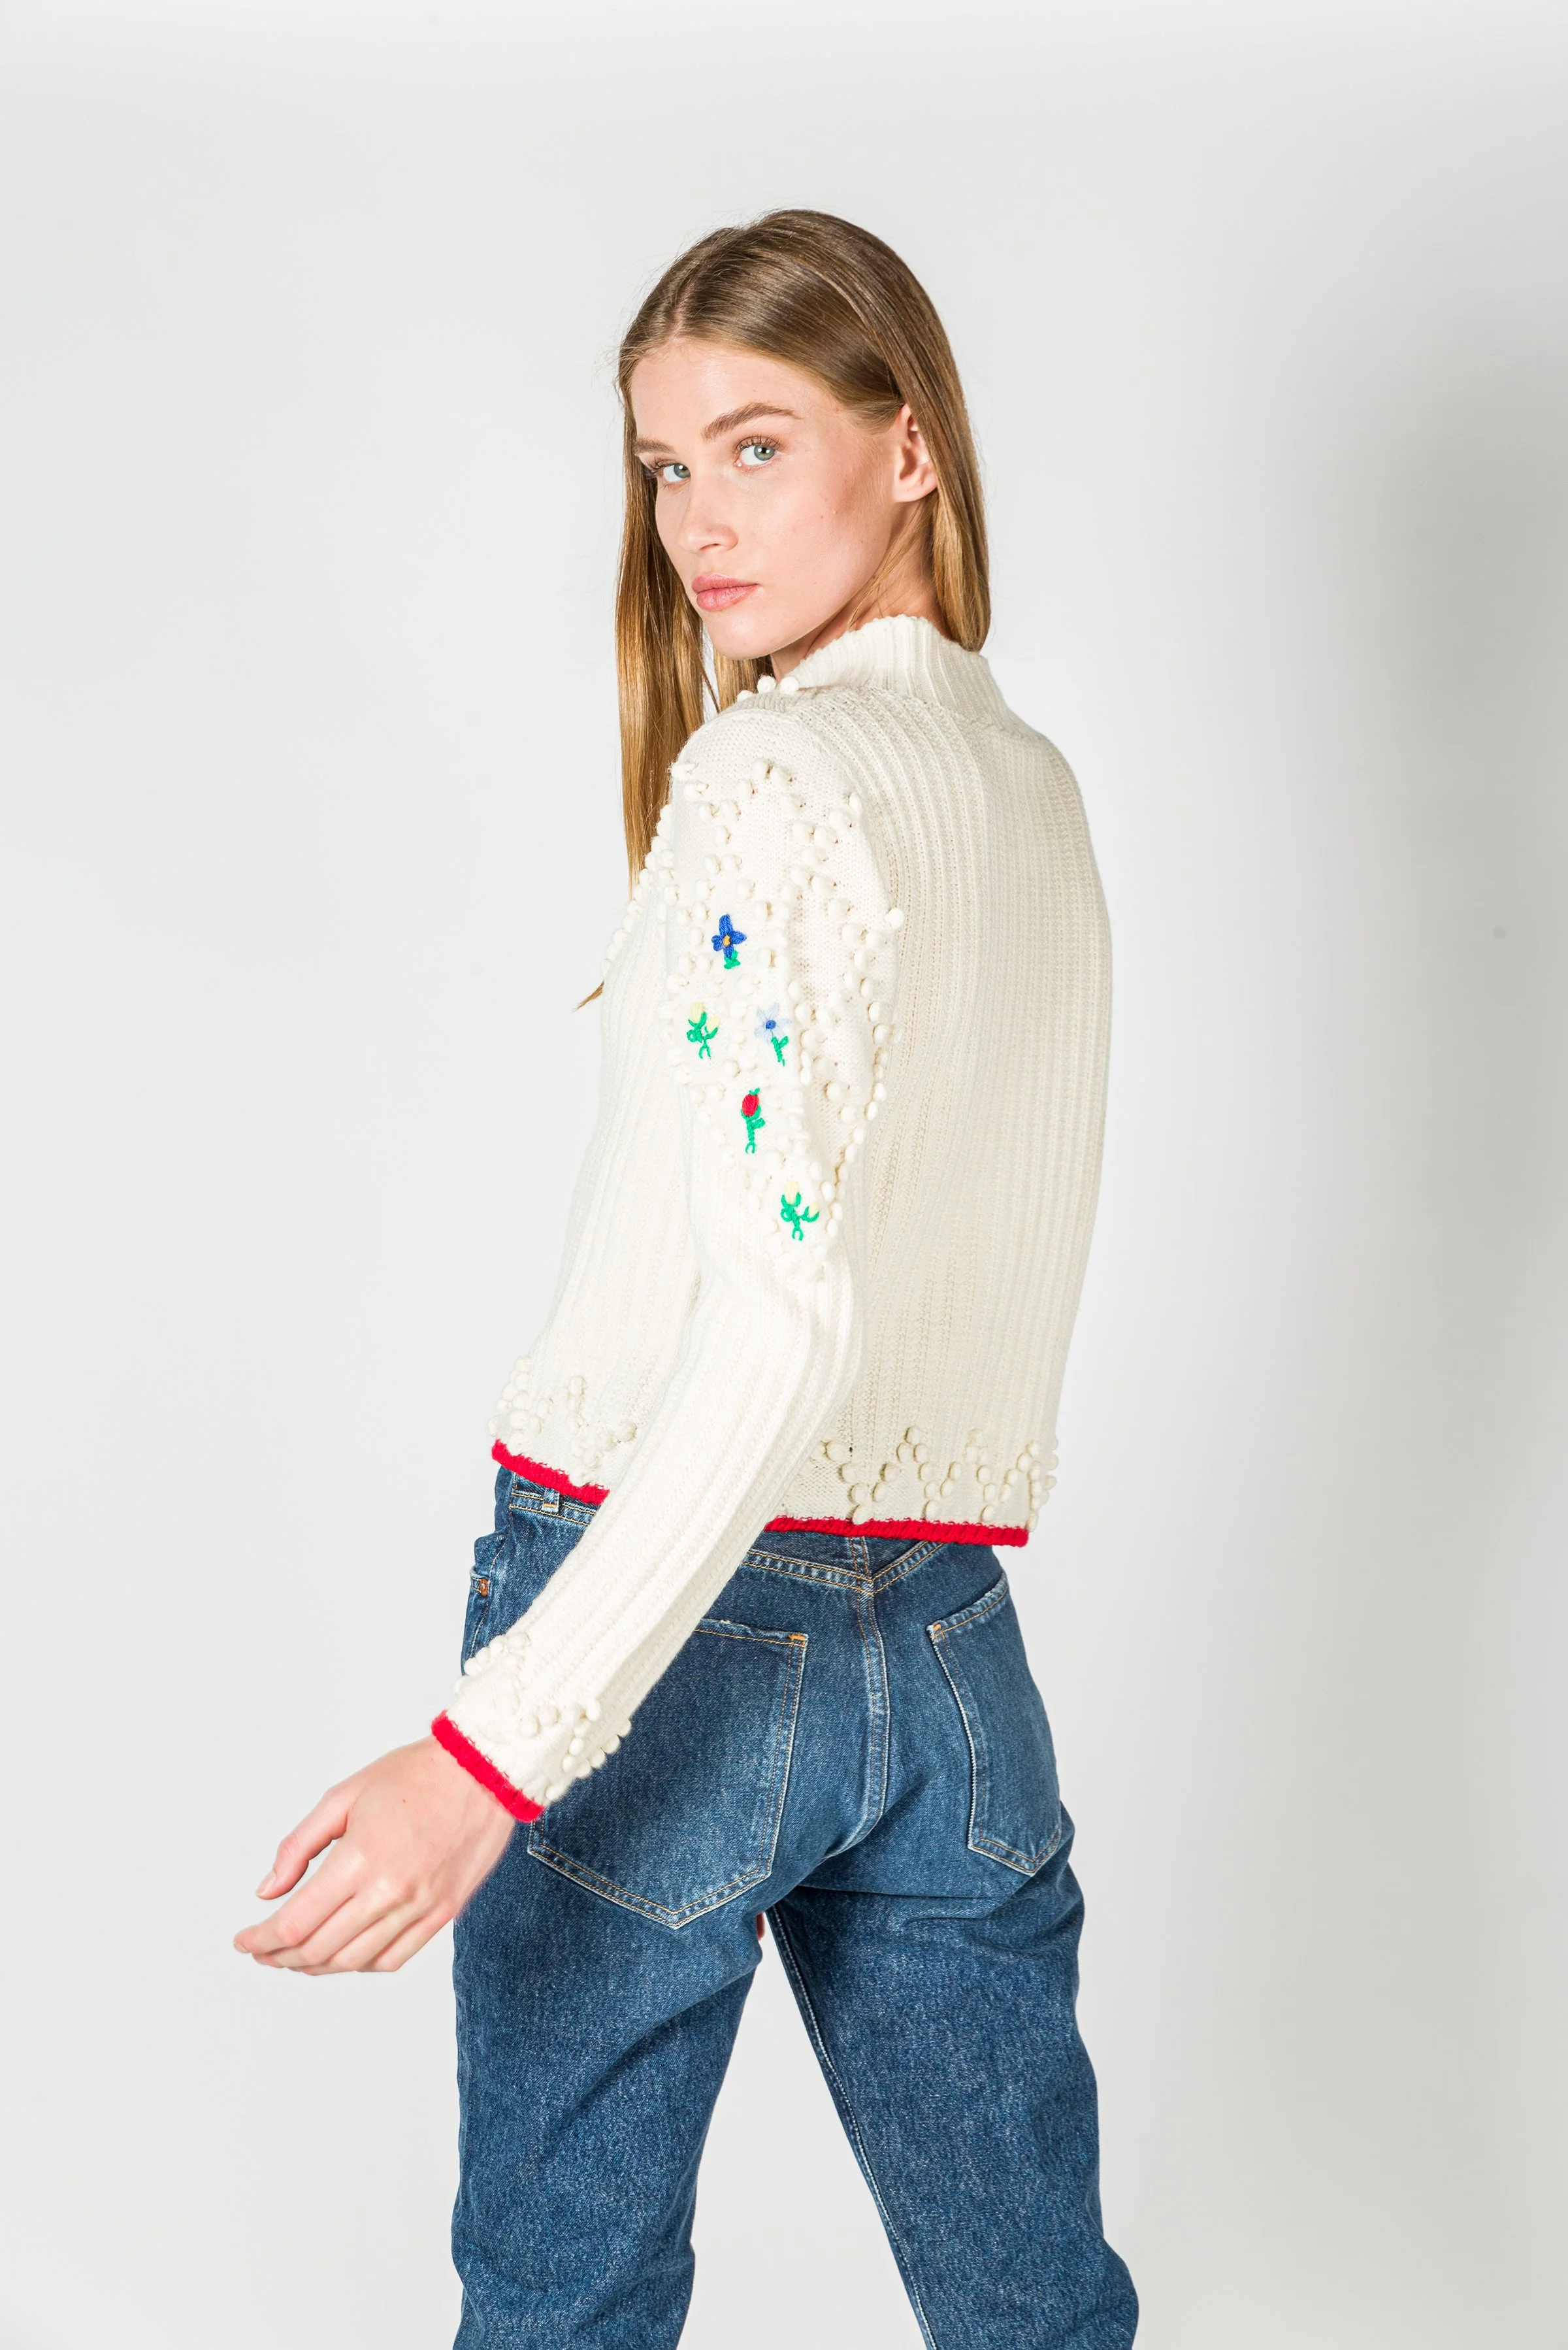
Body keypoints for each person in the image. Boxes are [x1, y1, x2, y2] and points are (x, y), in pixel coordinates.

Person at [235, 208, 1139, 2350]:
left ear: (907, 448)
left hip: (659, 1621)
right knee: (1036, 2309)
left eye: (755, 446)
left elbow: (784, 1315)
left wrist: (490, 1750)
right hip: (947, 1638)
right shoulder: (1028, 788)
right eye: (663, 466)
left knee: (563, 2300)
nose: (696, 522)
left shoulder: (770, 781)